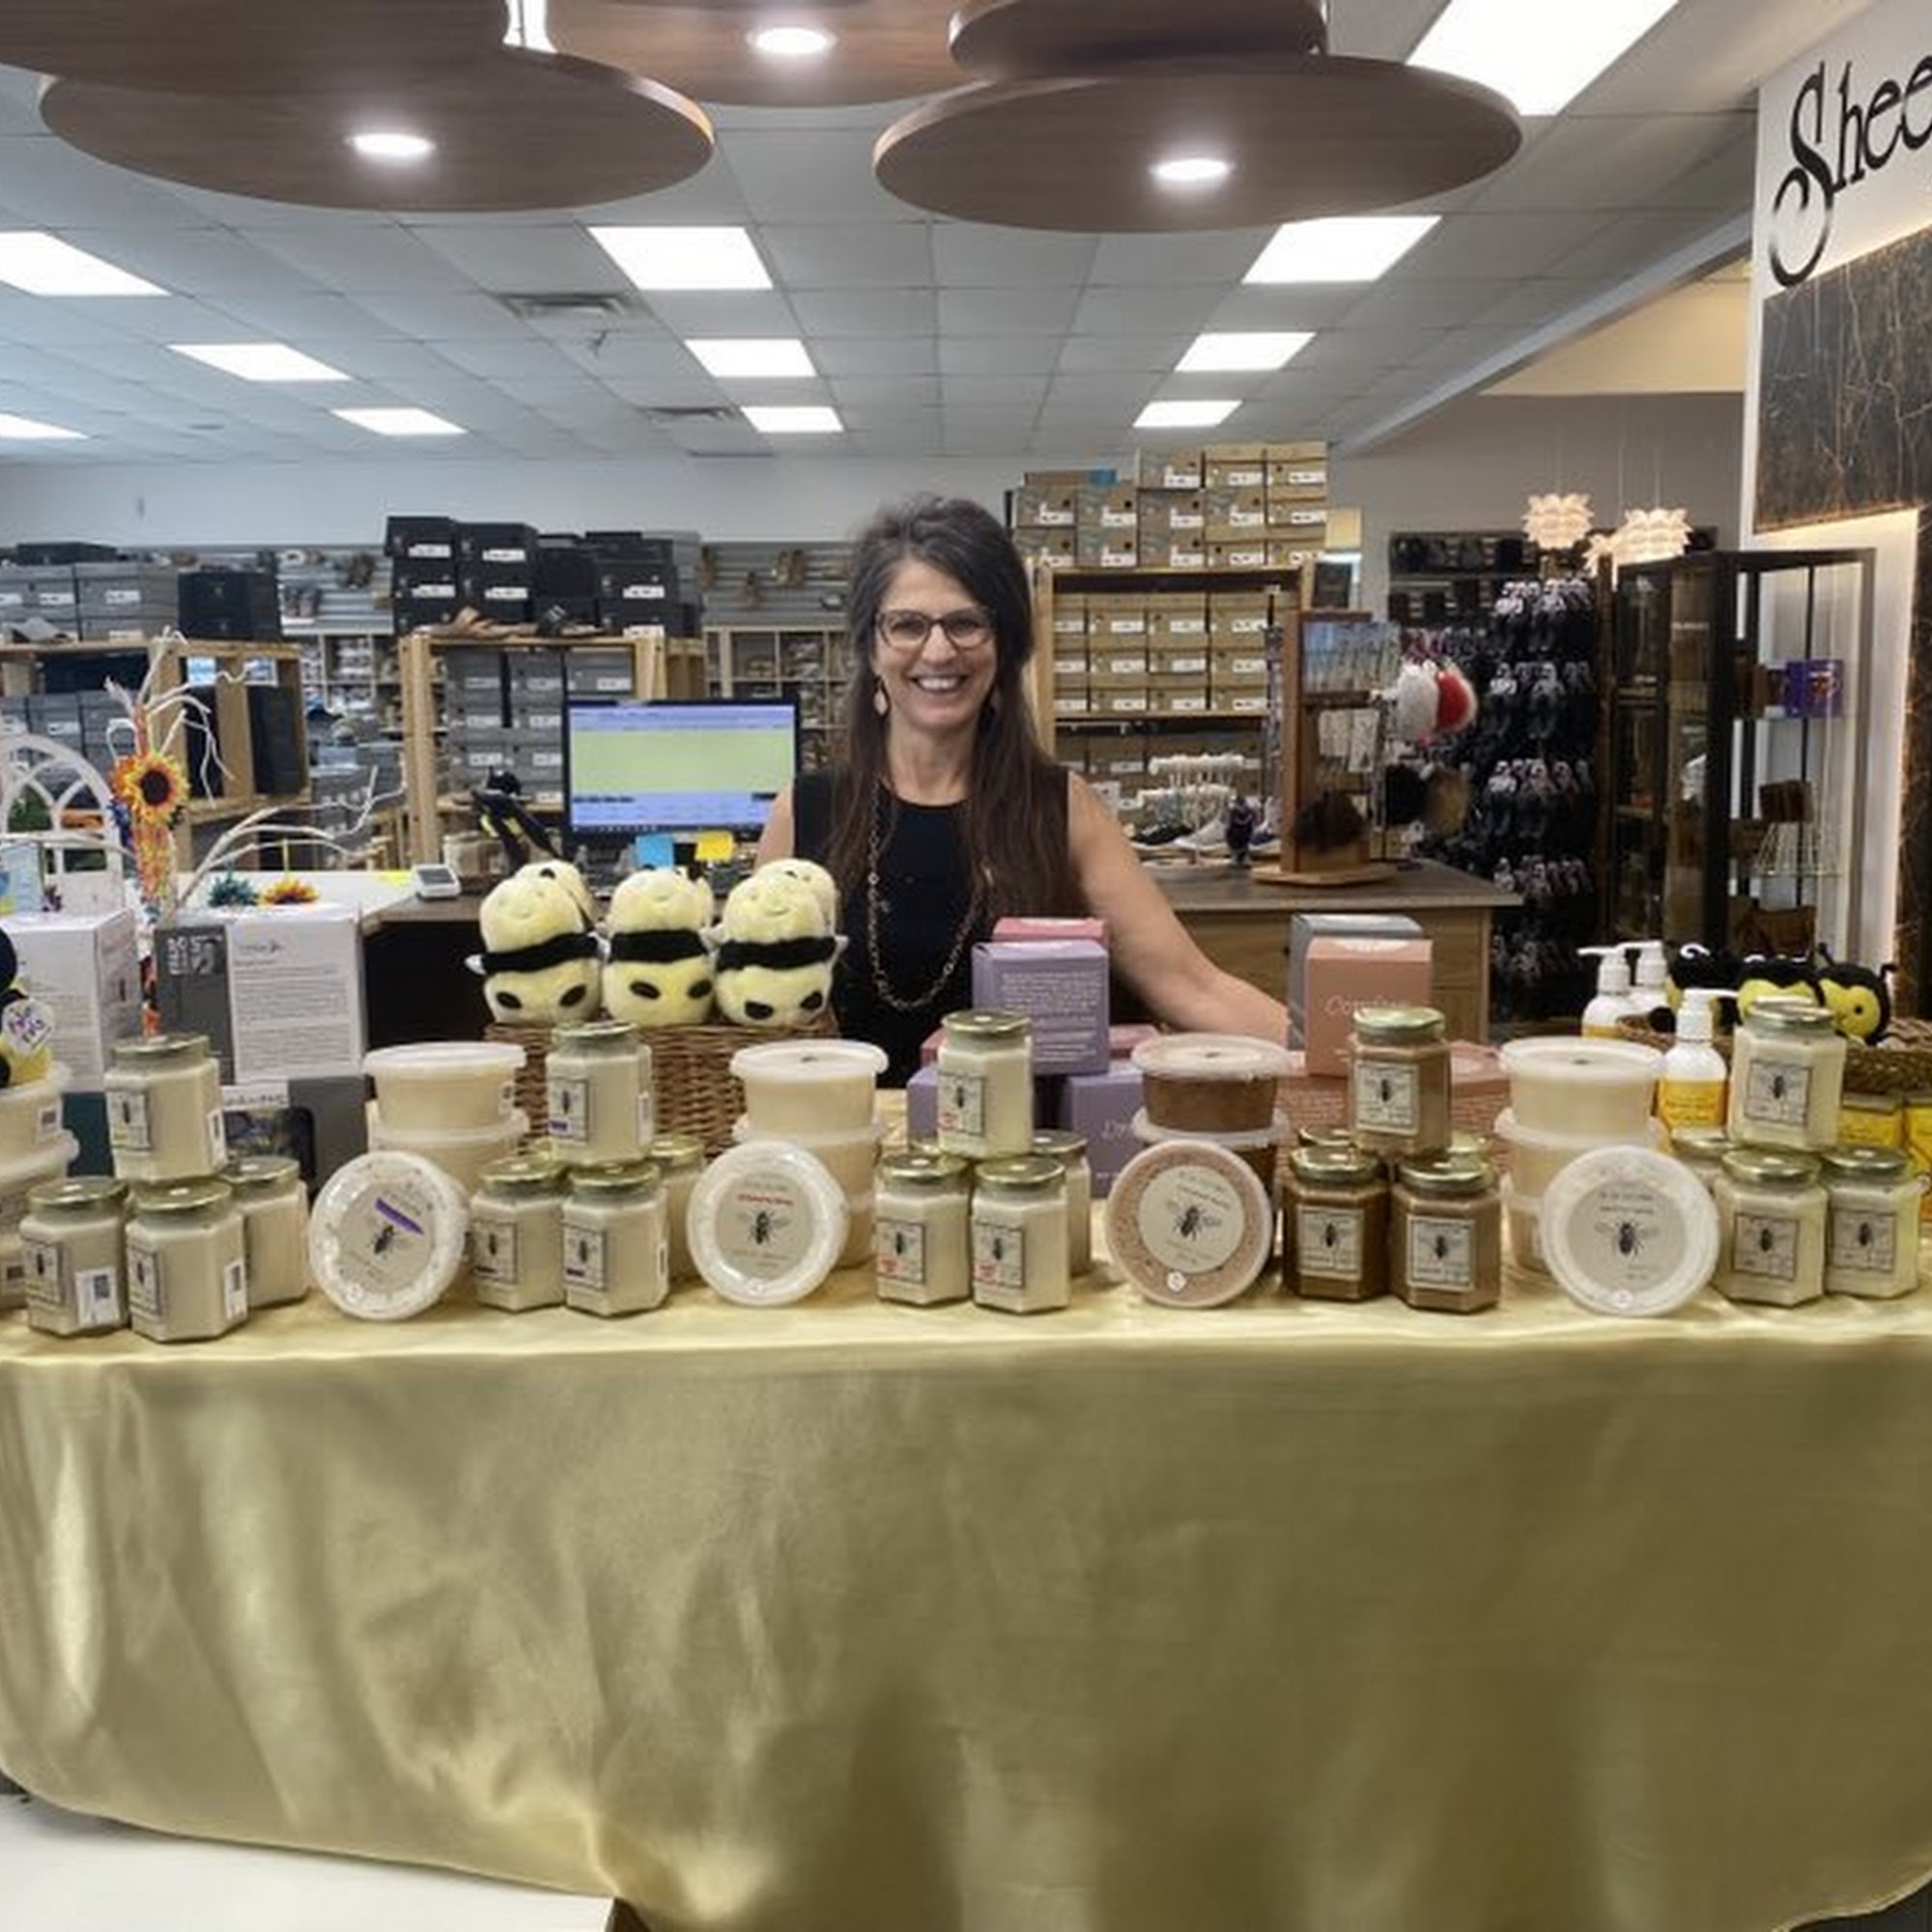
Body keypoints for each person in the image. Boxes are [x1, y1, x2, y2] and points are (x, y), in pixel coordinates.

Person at [754, 494, 1292, 1085]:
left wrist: (1346, 1054)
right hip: (850, 1133)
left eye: (966, 623)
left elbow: (1192, 986)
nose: (939, 651)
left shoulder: (1062, 809)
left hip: (1020, 1137)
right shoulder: (804, 814)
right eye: (907, 625)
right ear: (871, 647)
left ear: (1004, 645)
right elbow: (751, 1018)